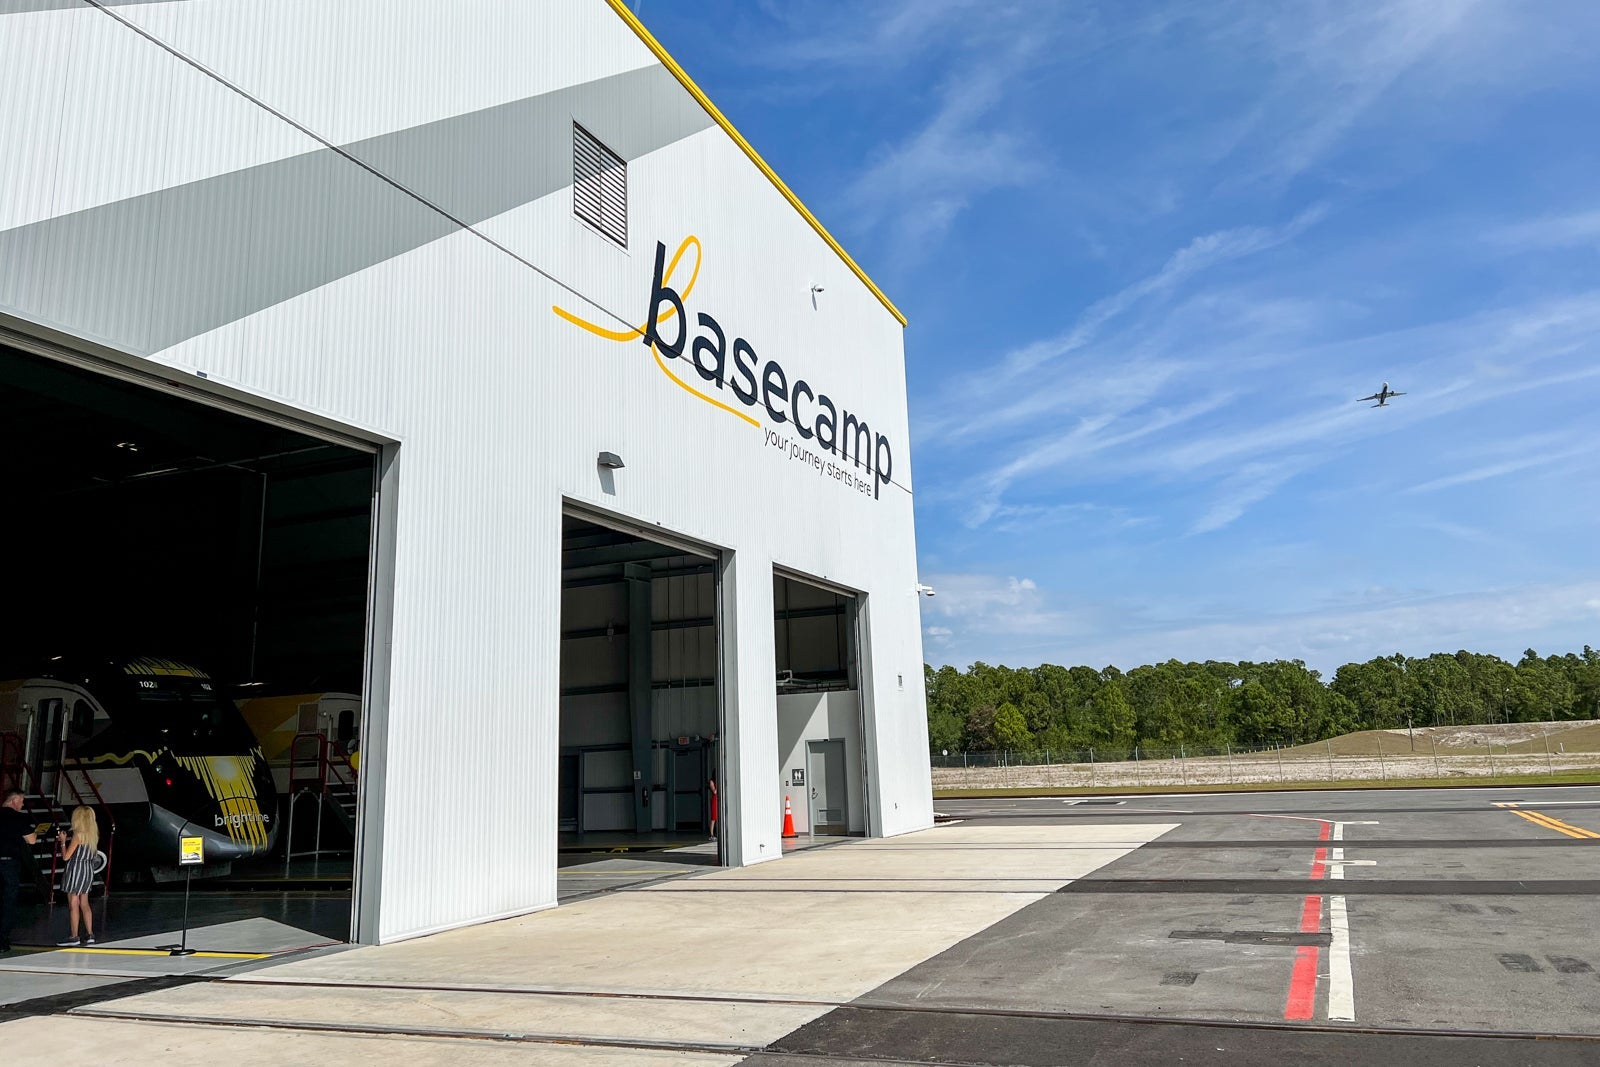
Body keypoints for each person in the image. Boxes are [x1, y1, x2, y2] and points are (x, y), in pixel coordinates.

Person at [0, 789, 40, 954]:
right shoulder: (19, 818)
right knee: (8, 902)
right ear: (14, 800)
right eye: (22, 801)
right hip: (9, 864)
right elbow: (32, 840)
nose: (22, 804)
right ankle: (1, 941)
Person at [55, 806, 99, 947]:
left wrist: (62, 841)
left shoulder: (78, 835)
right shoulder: (93, 834)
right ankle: (90, 934)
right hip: (87, 870)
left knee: (73, 904)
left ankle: (74, 936)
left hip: (75, 869)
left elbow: (66, 857)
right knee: (84, 903)